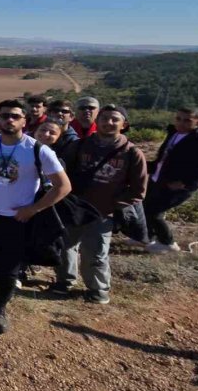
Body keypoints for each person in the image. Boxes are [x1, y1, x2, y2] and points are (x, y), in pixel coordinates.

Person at [0, 100, 71, 334]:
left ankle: (0, 309)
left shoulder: (37, 149)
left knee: (10, 266)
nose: (8, 120)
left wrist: (33, 209)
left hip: (19, 219)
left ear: (25, 120)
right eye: (4, 116)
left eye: (14, 116)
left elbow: (63, 187)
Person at [55, 105, 147, 303]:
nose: (109, 122)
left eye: (114, 119)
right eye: (104, 118)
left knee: (95, 252)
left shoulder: (132, 153)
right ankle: (64, 282)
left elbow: (139, 190)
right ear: (97, 121)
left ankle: (98, 290)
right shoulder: (79, 146)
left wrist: (114, 205)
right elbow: (63, 173)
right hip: (75, 208)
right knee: (65, 246)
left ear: (124, 124)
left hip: (103, 213)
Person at [143, 107, 198, 253]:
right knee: (145, 206)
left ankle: (168, 243)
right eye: (178, 119)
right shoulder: (174, 133)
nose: (181, 123)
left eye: (187, 120)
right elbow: (164, 156)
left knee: (153, 211)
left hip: (178, 185)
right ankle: (147, 237)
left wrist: (184, 182)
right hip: (160, 177)